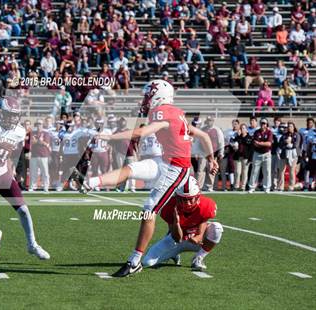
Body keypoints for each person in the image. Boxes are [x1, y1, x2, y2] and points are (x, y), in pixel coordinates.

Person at [71, 80, 218, 277]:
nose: (146, 99)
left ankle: (134, 261)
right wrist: (211, 159)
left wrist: (111, 137)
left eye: (149, 95)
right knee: (131, 169)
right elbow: (203, 136)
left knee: (149, 209)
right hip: (165, 160)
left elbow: (143, 132)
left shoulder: (163, 112)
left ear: (159, 96)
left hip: (176, 168)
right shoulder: (177, 113)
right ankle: (89, 183)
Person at [0, 96, 50, 260]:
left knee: (23, 209)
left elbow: (14, 154)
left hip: (3, 176)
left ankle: (32, 245)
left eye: (15, 115)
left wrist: (14, 171)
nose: (13, 118)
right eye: (9, 114)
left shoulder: (19, 131)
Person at [142, 176, 223, 271]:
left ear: (197, 197)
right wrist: (176, 222)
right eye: (183, 199)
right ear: (177, 197)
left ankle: (198, 258)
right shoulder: (169, 206)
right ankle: (174, 254)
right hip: (175, 241)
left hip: (194, 241)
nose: (187, 203)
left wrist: (198, 237)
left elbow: (202, 229)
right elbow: (177, 238)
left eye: (190, 199)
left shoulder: (206, 205)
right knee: (147, 262)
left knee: (217, 228)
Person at [248, 118, 273, 193]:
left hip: (267, 154)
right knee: (254, 171)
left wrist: (260, 143)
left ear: (266, 124)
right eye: (262, 123)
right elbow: (255, 143)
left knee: (267, 171)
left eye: (264, 123)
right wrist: (263, 144)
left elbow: (269, 144)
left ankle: (267, 187)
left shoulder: (269, 132)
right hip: (257, 154)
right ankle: (252, 187)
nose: (263, 125)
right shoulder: (256, 132)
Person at [29, 120, 51, 192]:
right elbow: (32, 142)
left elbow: (46, 143)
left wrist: (38, 141)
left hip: (43, 155)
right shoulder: (33, 133)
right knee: (33, 172)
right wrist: (40, 141)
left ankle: (46, 186)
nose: (39, 125)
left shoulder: (46, 133)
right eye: (37, 124)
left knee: (45, 172)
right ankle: (32, 186)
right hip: (34, 155)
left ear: (42, 125)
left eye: (40, 124)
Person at [278, 122, 300, 191]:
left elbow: (296, 144)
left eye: (291, 126)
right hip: (284, 154)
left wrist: (290, 143)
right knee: (281, 171)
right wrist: (285, 142)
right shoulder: (284, 135)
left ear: (293, 127)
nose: (289, 128)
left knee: (292, 171)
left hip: (293, 155)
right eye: (289, 126)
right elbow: (280, 145)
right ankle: (280, 187)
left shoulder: (297, 135)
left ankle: (291, 187)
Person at [233, 123, 253, 191]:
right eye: (241, 128)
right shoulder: (237, 137)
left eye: (244, 128)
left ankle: (243, 186)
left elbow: (251, 149)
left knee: (245, 172)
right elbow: (233, 145)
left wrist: (250, 158)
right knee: (237, 172)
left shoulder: (249, 138)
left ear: (246, 130)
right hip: (238, 157)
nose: (242, 129)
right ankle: (236, 186)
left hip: (246, 157)